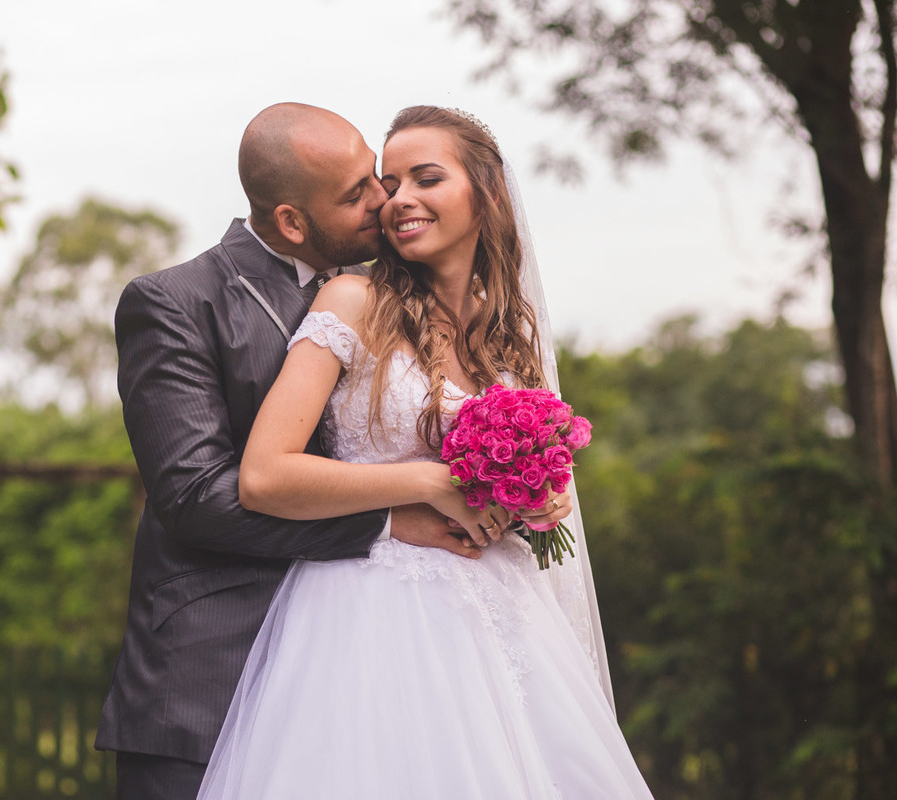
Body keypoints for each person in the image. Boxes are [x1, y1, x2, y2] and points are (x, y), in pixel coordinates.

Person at [195, 106, 654, 799]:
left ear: (486, 194)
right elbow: (264, 475)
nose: (398, 198)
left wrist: (539, 495)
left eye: (426, 179)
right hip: (375, 614)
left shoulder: (508, 330)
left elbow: (532, 471)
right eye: (390, 183)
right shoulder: (351, 301)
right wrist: (427, 482)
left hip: (507, 617)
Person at [94, 103, 482, 800]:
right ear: (292, 223)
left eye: (376, 177)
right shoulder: (175, 303)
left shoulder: (399, 296)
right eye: (357, 193)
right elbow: (196, 499)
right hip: (213, 679)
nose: (383, 200)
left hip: (362, 678)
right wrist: (389, 521)